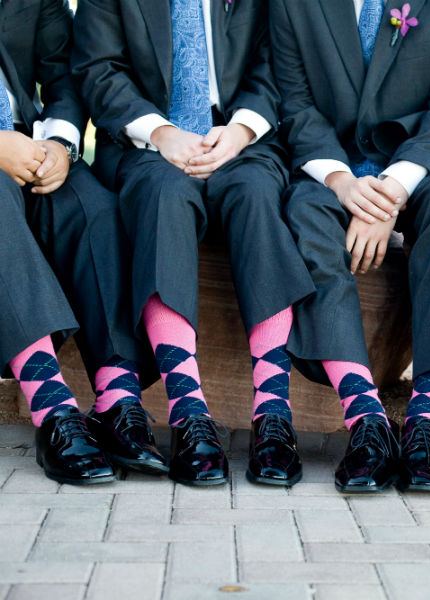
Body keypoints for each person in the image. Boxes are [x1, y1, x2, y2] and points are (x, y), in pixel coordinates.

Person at [72, 0, 316, 486]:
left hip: (237, 139)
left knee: (257, 196)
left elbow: (274, 62)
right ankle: (188, 412)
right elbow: (97, 69)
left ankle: (273, 414)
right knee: (164, 196)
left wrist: (242, 130)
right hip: (145, 146)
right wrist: (160, 132)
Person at [270, 0, 430, 492]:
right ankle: (365, 417)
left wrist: (391, 190)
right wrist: (342, 182)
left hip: (420, 162)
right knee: (303, 211)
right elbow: (296, 105)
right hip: (333, 164)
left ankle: (427, 421)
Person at [0, 0, 163, 484]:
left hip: (26, 149)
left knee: (92, 204)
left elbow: (62, 74)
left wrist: (59, 144)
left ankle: (117, 399)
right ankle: (52, 409)